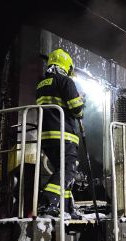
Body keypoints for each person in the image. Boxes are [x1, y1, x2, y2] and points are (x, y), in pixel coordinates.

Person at [36, 48, 85, 218]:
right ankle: (47, 204)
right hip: (64, 135)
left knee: (62, 170)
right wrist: (82, 102)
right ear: (67, 66)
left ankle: (66, 208)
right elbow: (77, 109)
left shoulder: (41, 84)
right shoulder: (66, 82)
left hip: (46, 137)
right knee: (68, 171)